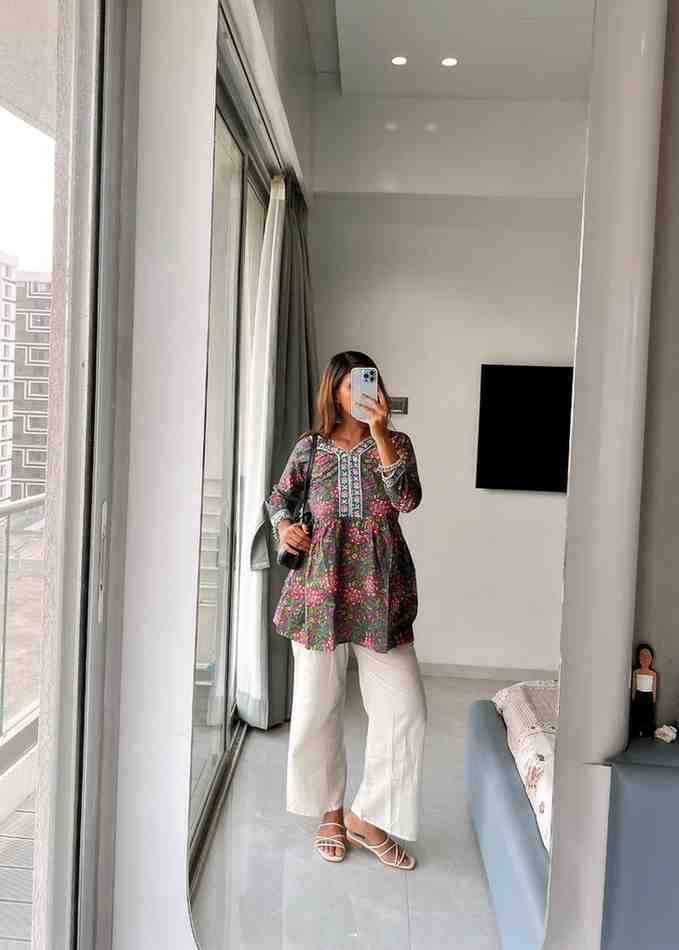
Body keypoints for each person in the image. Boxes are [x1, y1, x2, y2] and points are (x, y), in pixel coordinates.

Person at [264, 351, 427, 869]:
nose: (361, 392)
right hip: (320, 591)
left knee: (405, 710)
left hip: (381, 593)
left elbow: (407, 501)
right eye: (351, 384)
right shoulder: (310, 447)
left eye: (368, 381)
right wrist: (284, 528)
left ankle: (368, 817)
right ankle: (329, 812)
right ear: (333, 391)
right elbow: (278, 498)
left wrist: (380, 434)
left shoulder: (398, 443)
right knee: (317, 707)